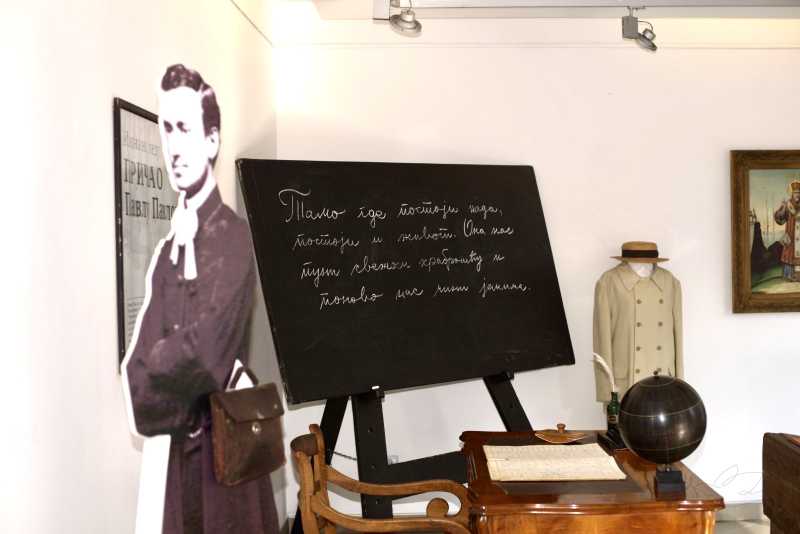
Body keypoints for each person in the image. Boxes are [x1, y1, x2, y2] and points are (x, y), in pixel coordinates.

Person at [122, 64, 278, 534]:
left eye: (185, 128)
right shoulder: (169, 250)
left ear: (211, 141)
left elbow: (206, 358)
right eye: (167, 128)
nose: (174, 145)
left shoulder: (233, 238)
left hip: (226, 468)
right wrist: (168, 370)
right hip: (176, 469)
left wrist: (162, 365)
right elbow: (135, 378)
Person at [593, 241, 684, 402]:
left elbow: (678, 336)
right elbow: (602, 341)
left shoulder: (670, 281)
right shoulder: (609, 282)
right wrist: (607, 393)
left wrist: (680, 386)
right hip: (626, 384)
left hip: (664, 381)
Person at [774, 180, 800, 281]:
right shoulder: (788, 205)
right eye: (795, 193)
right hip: (791, 235)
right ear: (792, 194)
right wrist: (783, 208)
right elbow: (779, 219)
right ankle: (789, 275)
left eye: (799, 193)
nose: (797, 195)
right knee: (789, 254)